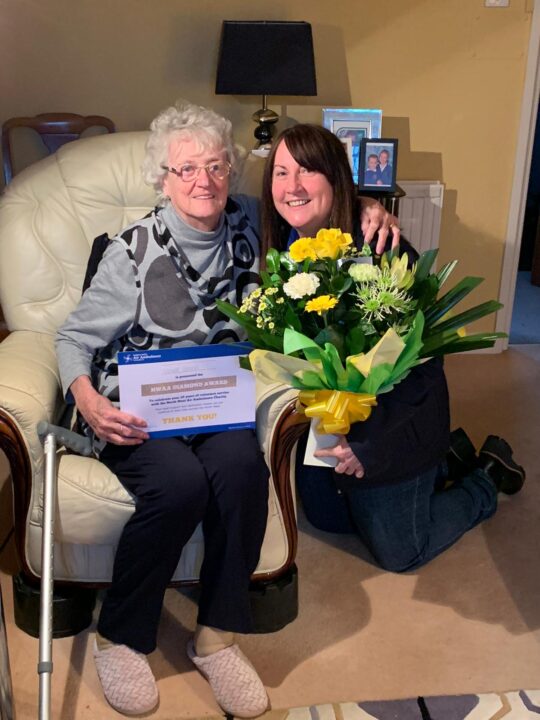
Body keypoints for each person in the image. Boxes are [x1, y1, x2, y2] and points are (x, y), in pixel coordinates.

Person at [56, 103, 399, 717]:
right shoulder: (129, 251)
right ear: (162, 178)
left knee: (243, 472)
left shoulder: (249, 223)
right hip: (135, 406)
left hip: (216, 402)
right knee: (179, 484)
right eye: (186, 168)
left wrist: (370, 207)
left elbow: (317, 207)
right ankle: (121, 635)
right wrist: (85, 399)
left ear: (233, 173)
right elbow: (71, 339)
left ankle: (215, 637)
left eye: (217, 166)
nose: (204, 181)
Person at [259, 123, 526, 574]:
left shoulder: (382, 253)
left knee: (403, 553)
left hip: (396, 425)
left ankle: (484, 476)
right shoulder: (280, 246)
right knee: (329, 519)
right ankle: (449, 455)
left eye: (308, 172)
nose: (293, 187)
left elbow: (424, 369)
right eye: (281, 173)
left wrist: (366, 443)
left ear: (337, 178)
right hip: (332, 424)